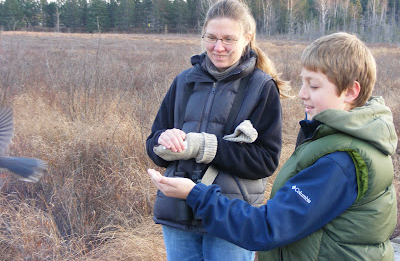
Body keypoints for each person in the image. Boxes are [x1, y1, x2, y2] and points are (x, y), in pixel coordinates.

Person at [148, 32, 398, 260]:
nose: (302, 93)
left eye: (314, 85)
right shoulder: (338, 139)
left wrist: (194, 193)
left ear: (351, 91)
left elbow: (268, 227)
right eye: (303, 82)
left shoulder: (341, 161)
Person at [146, 0, 291, 261]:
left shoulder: (261, 87)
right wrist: (162, 141)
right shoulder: (184, 82)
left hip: (232, 218)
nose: (218, 47)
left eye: (228, 39)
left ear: (247, 38)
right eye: (211, 37)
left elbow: (266, 161)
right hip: (179, 214)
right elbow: (153, 146)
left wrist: (204, 146)